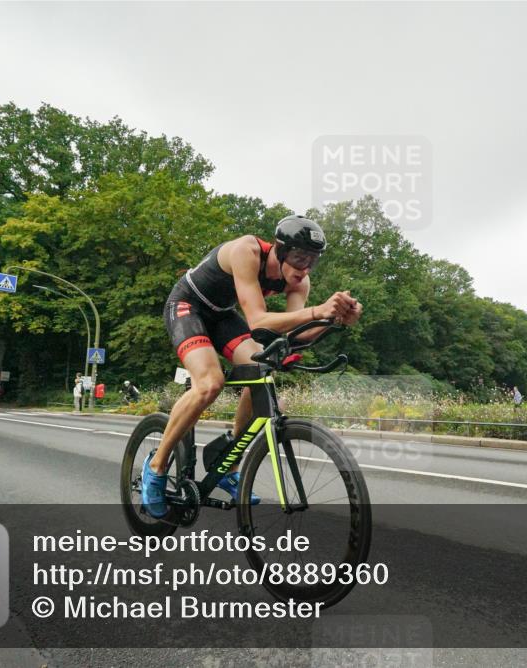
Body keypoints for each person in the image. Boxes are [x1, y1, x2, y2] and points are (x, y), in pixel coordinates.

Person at [141, 215, 363, 517]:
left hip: (222, 316)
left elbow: (294, 332)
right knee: (209, 382)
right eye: (299, 258)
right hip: (187, 306)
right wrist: (318, 311)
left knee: (261, 369)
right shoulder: (247, 251)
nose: (305, 268)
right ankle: (155, 468)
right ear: (280, 250)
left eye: (312, 261)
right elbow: (257, 320)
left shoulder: (300, 280)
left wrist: (331, 320)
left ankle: (229, 460)